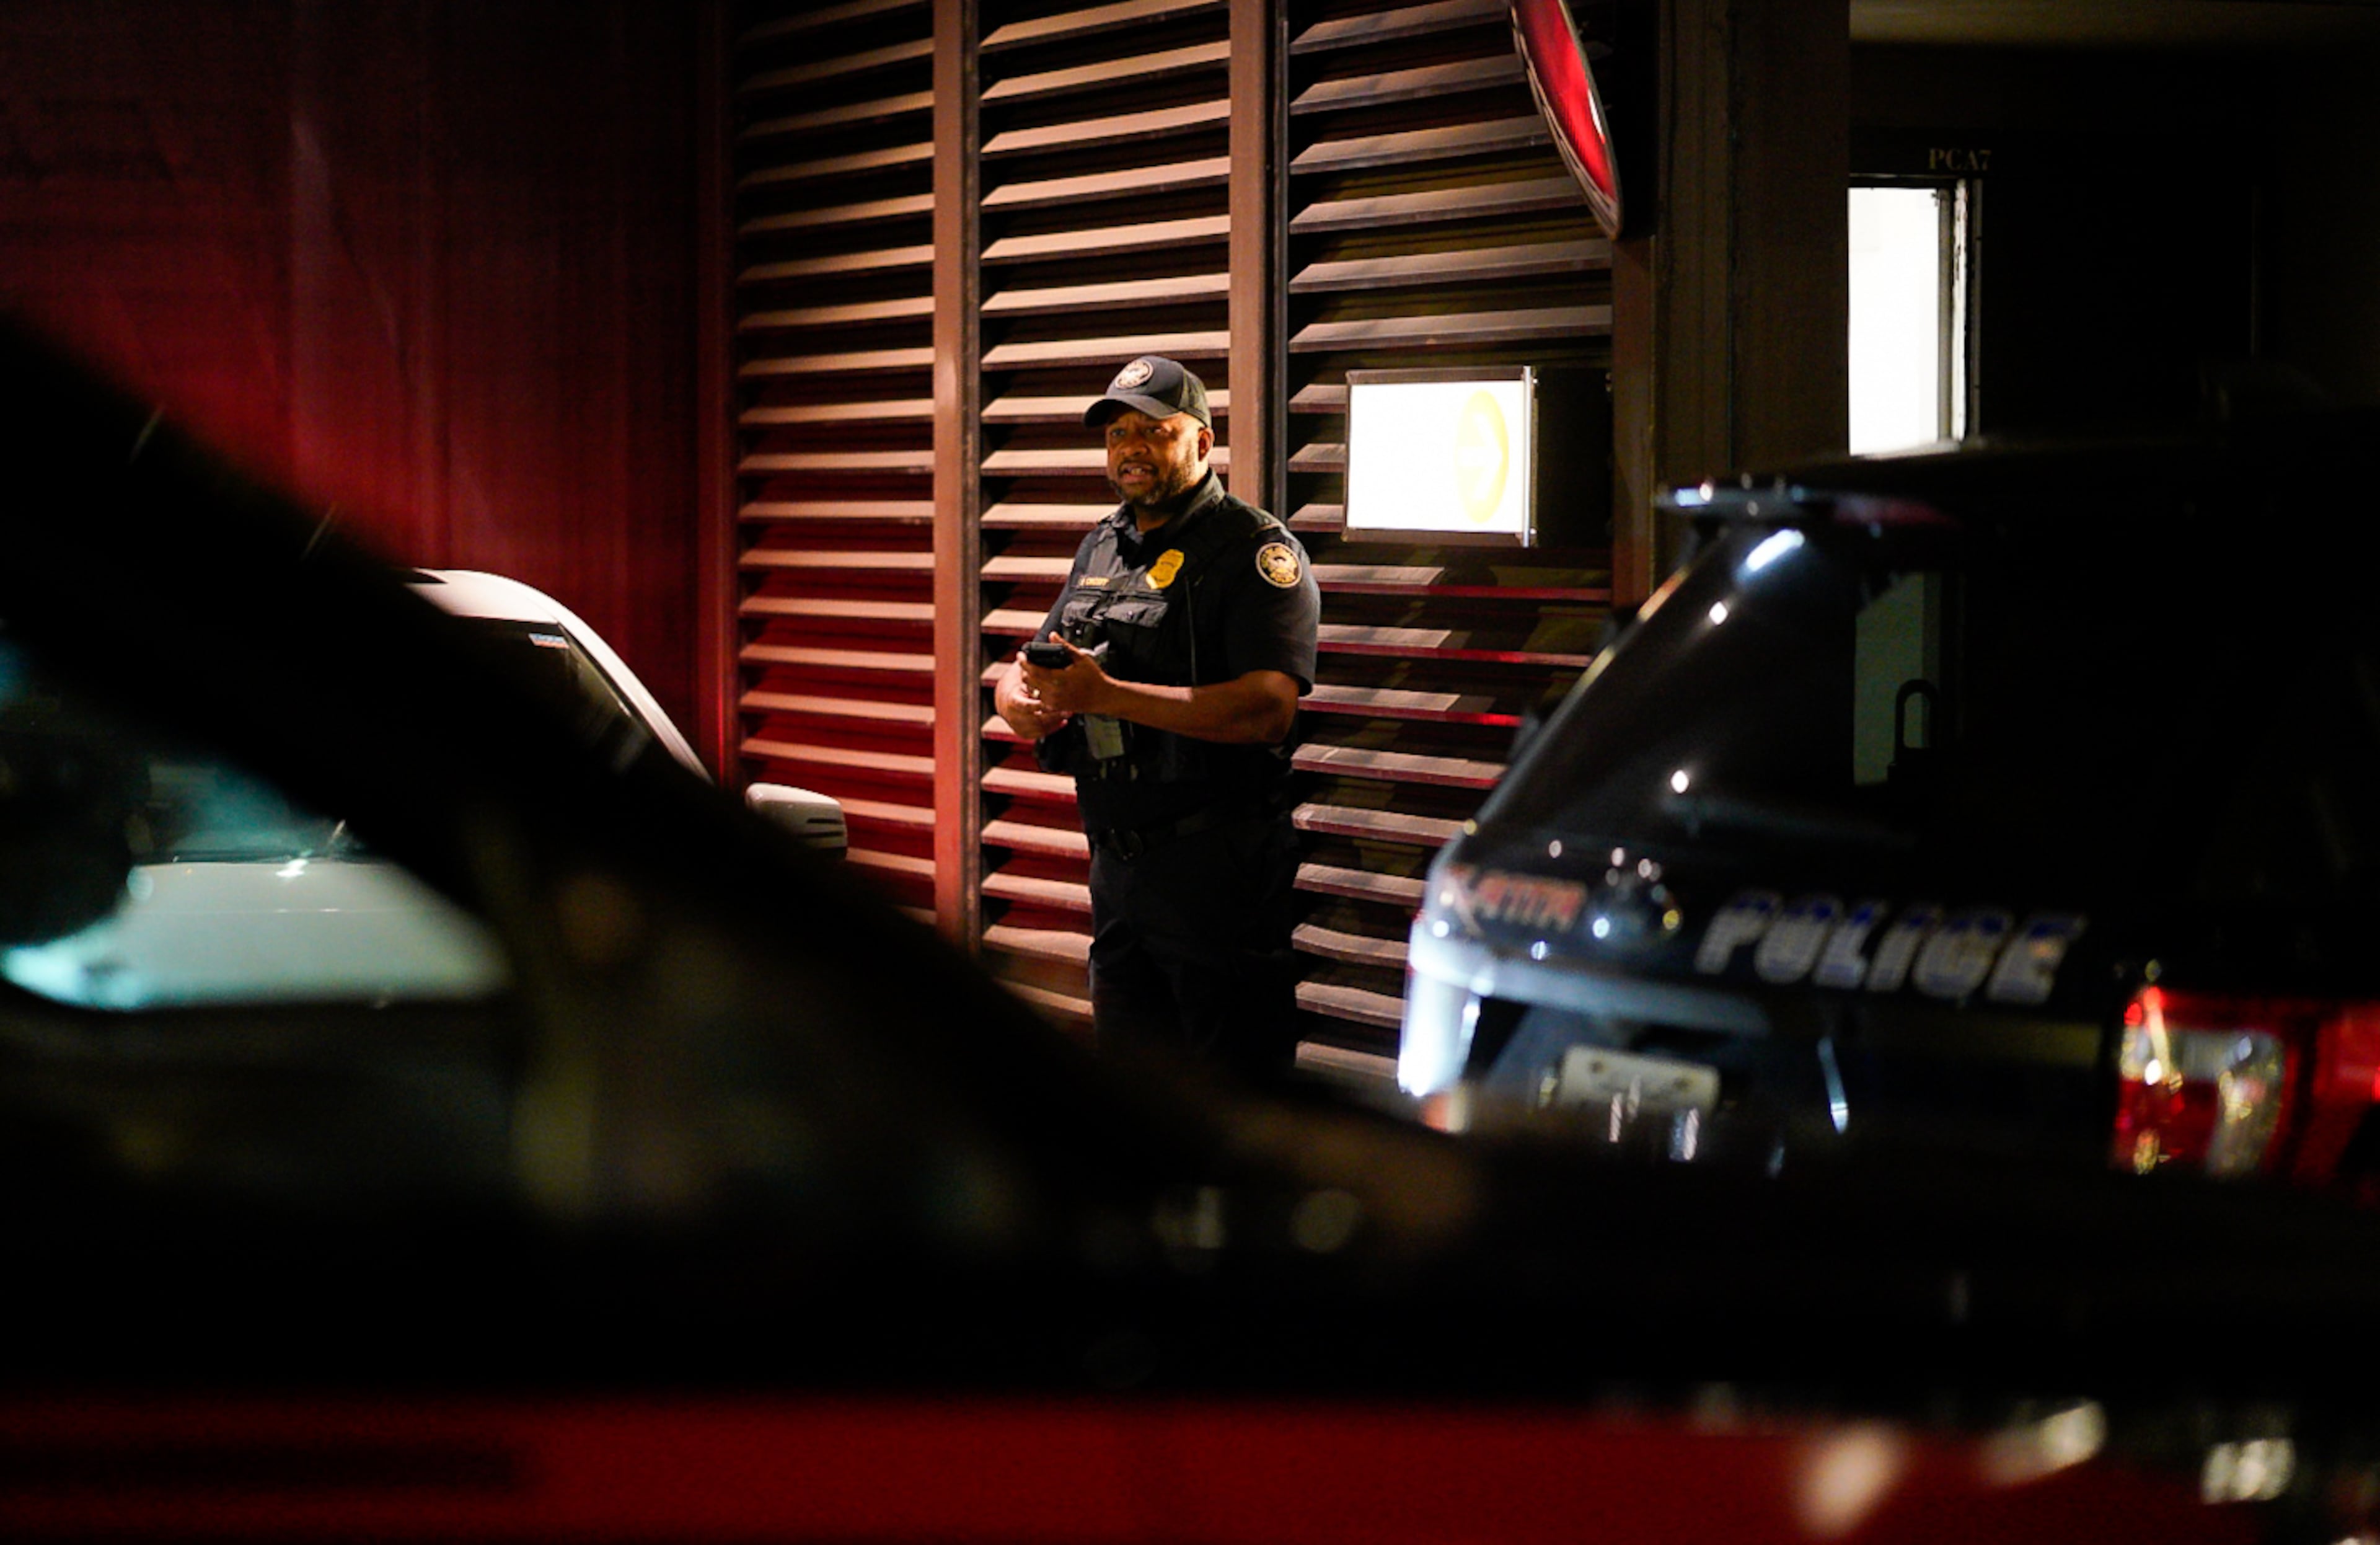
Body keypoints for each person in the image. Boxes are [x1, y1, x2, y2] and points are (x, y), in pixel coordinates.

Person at [992, 355, 1321, 1082]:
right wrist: (1020, 702)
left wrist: (1106, 695)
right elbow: (1032, 667)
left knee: (1233, 1104)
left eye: (1153, 431)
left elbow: (1270, 710)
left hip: (1219, 874)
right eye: (1116, 435)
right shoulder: (1103, 543)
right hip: (1118, 871)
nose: (1130, 449)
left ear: (1202, 445)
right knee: (1132, 1103)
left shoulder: (1257, 552)